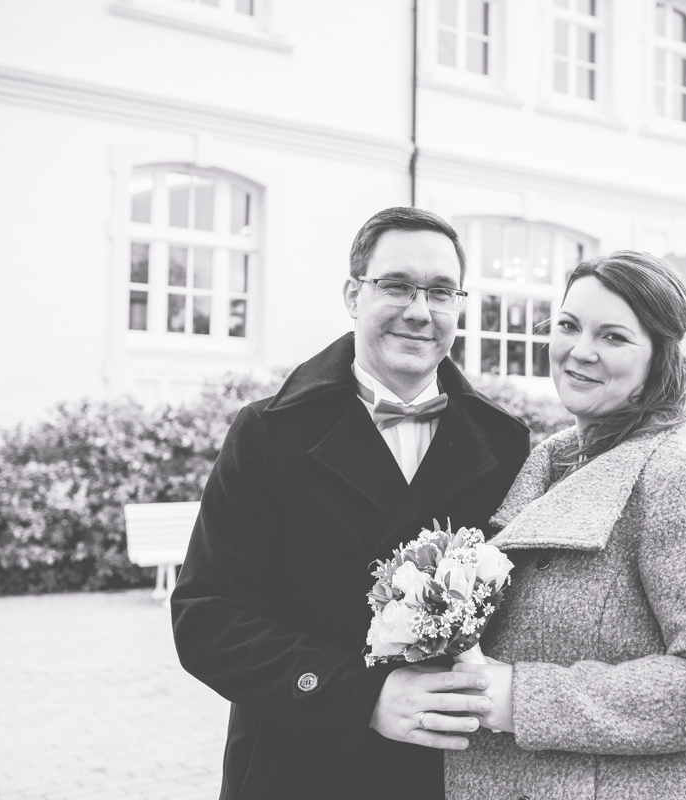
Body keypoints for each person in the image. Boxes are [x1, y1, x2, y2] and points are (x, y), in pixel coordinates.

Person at [171, 207, 530, 800]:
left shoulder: (505, 442)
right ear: (353, 294)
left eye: (441, 292)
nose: (420, 310)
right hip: (300, 764)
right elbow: (207, 619)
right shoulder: (268, 433)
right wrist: (359, 697)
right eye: (397, 285)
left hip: (449, 775)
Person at [445, 251, 686, 800]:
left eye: (614, 337)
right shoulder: (544, 462)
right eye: (569, 326)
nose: (580, 351)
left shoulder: (680, 478)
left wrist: (523, 699)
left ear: (659, 361)